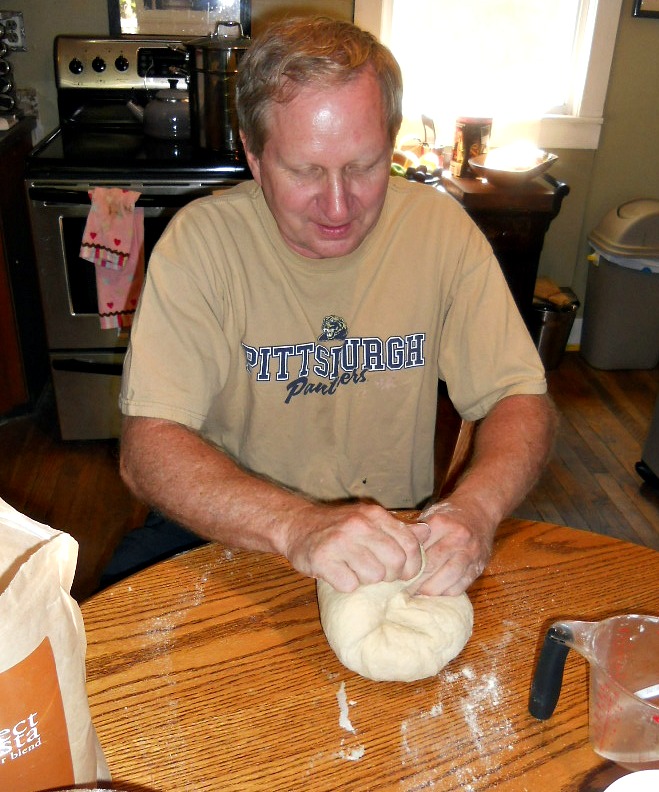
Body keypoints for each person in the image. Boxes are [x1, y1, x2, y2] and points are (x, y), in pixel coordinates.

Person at [109, 16, 556, 596]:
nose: (339, 206)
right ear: (253, 154)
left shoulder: (439, 230)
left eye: (364, 166)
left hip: (392, 545)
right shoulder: (201, 244)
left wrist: (476, 510)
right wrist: (298, 526)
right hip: (232, 533)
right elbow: (147, 448)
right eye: (306, 171)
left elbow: (519, 398)